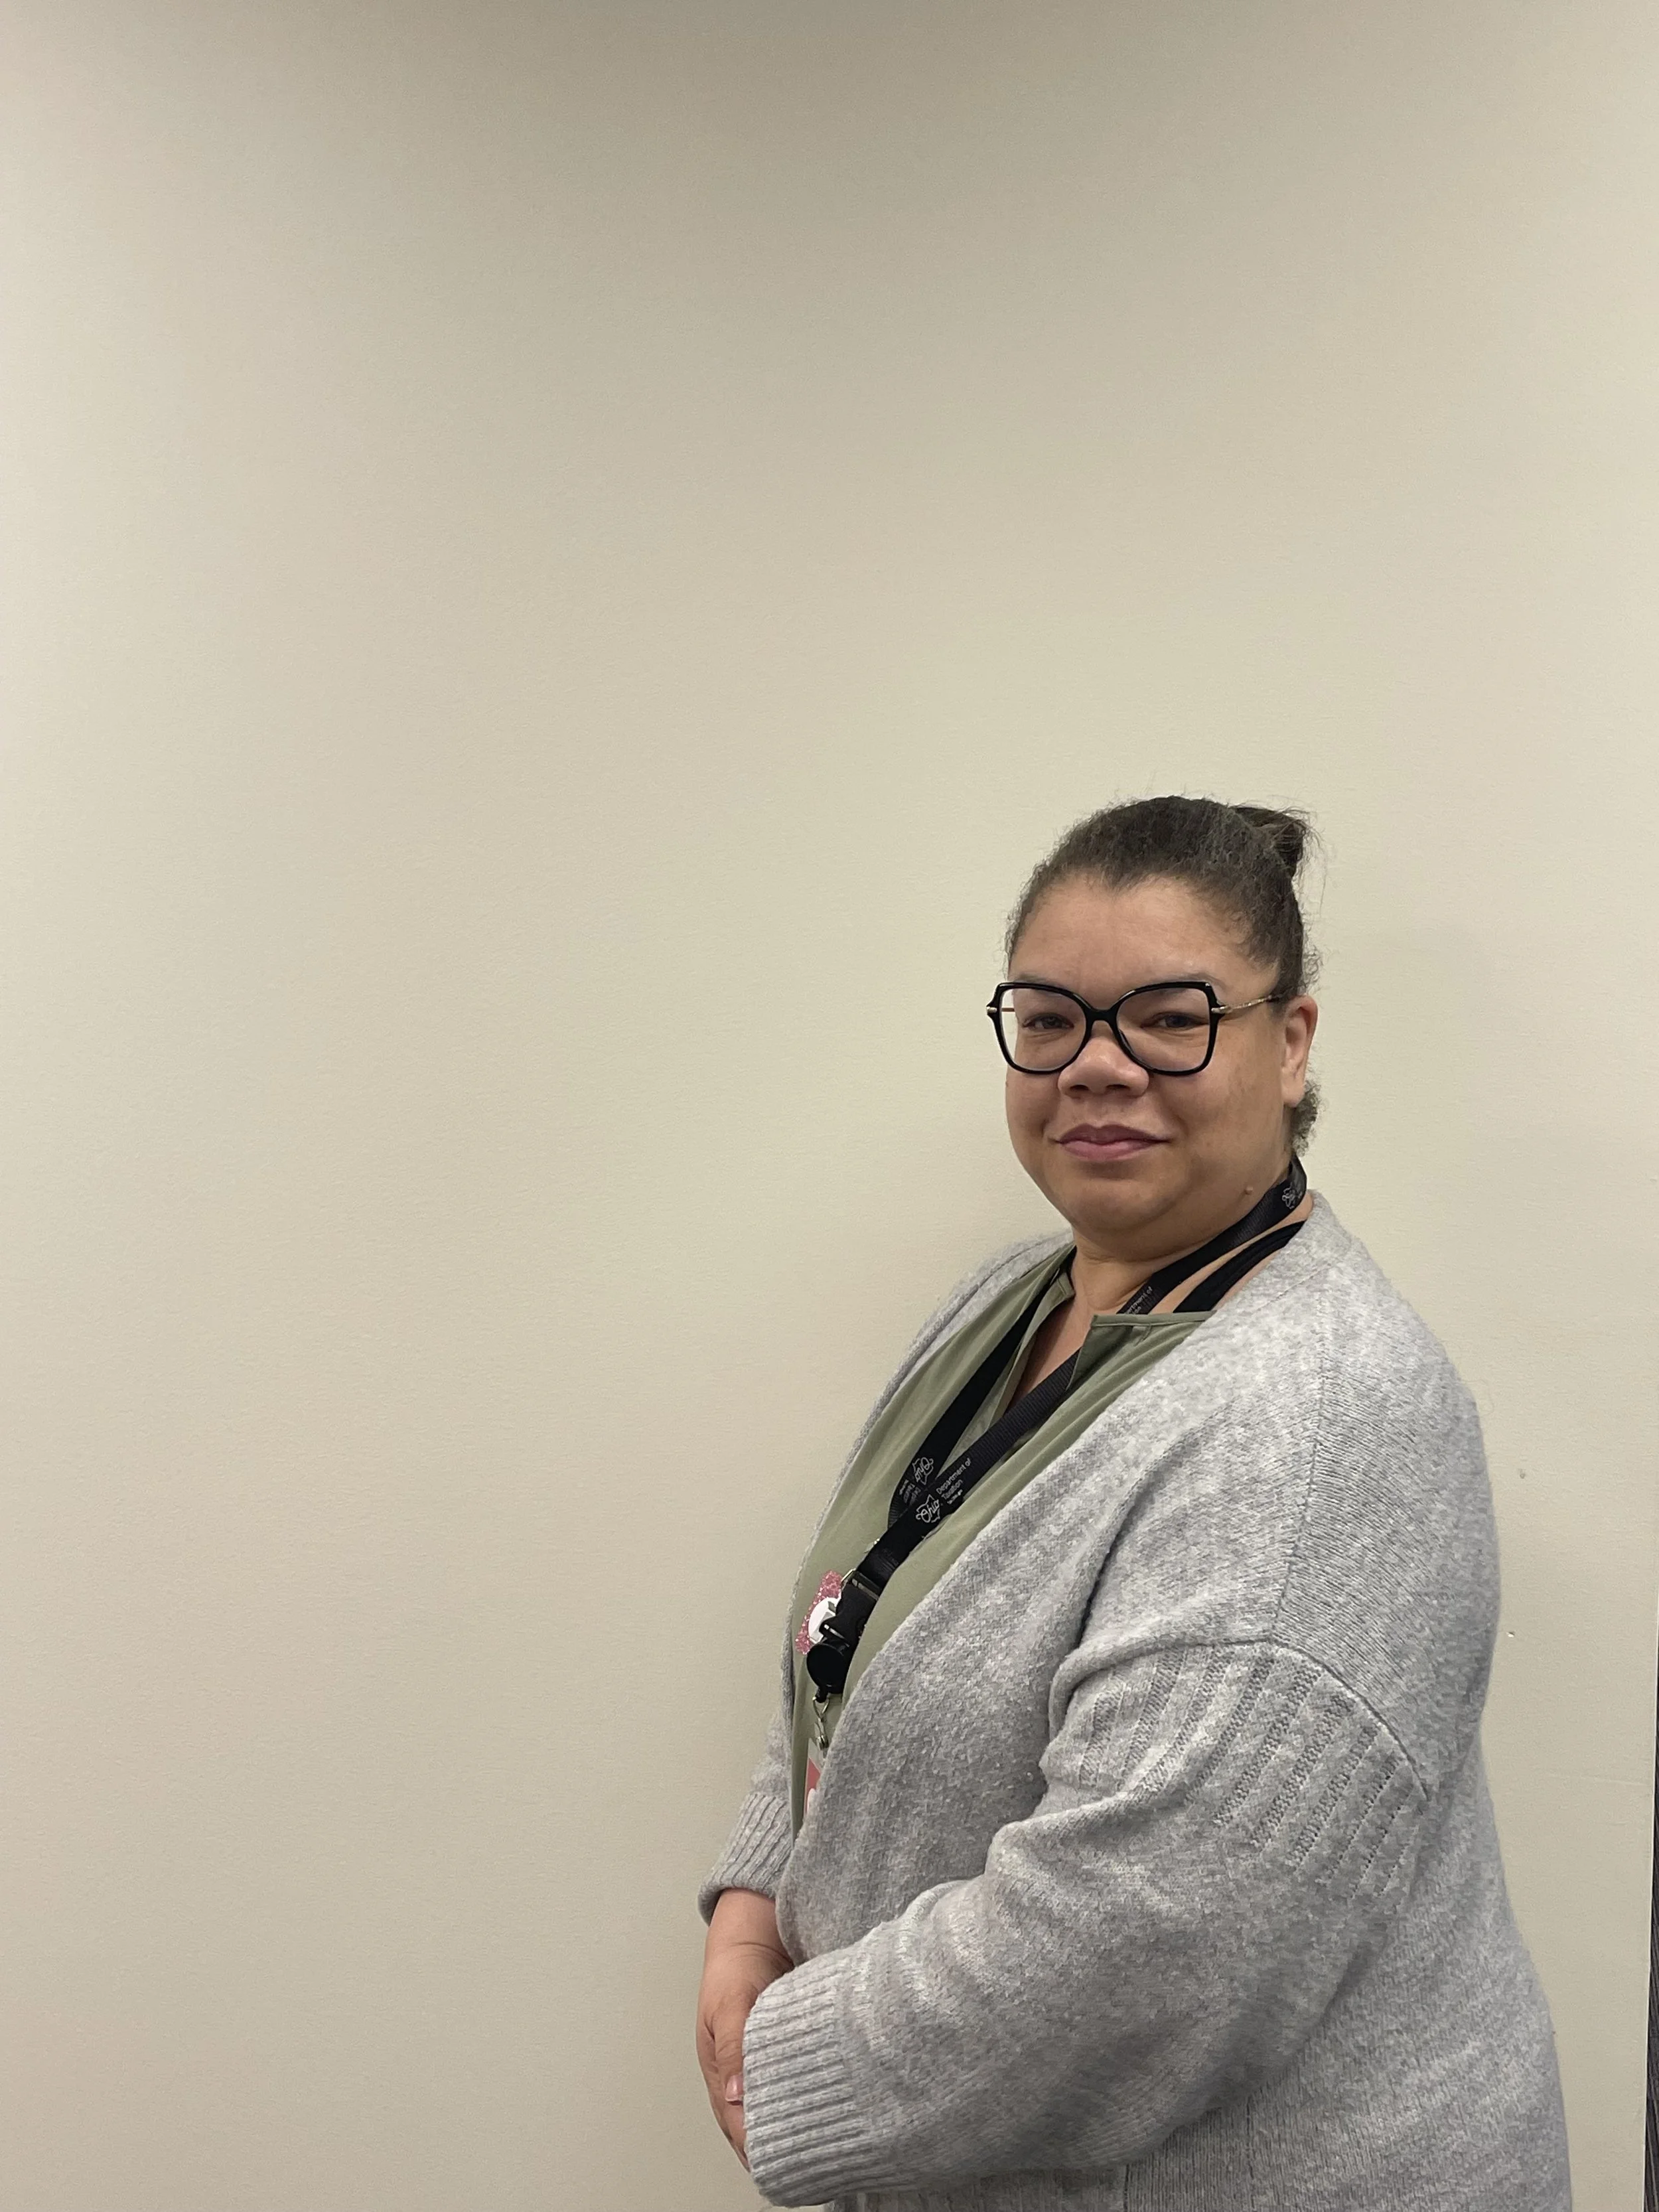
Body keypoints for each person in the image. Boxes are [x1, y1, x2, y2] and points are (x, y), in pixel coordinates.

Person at [694, 795, 1570, 2212]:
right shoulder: (1013, 1303)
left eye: (1170, 1018)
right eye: (1050, 1019)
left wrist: (785, 2063)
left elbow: (1148, 1943)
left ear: (1290, 1043)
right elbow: (858, 1629)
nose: (1097, 1065)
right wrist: (756, 1902)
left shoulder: (1315, 1422)